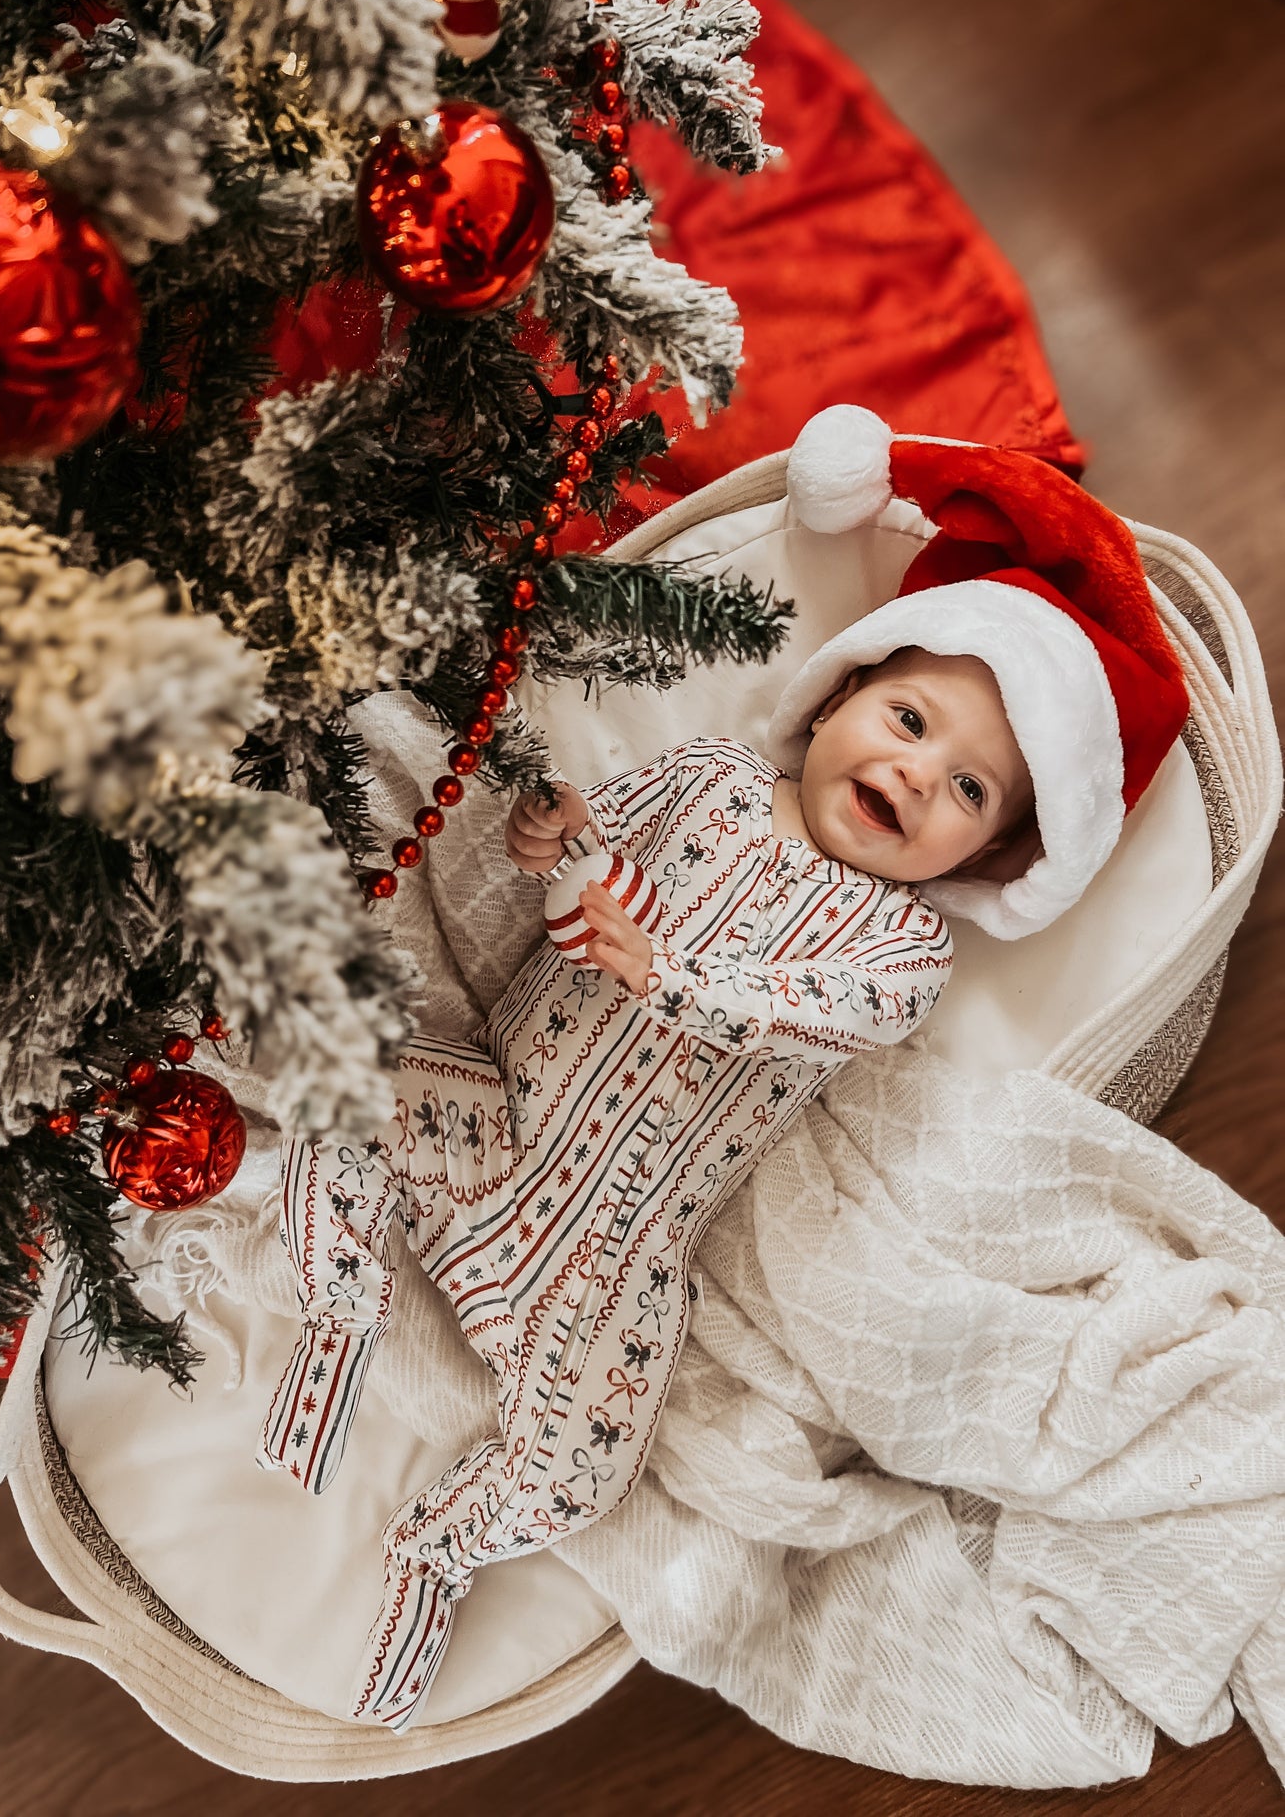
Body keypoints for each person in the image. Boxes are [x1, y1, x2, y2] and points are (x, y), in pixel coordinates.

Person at [257, 406, 1190, 1732]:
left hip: (614, 1250)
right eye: (910, 719)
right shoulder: (708, 780)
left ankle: (436, 1550)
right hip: (493, 1112)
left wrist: (667, 972)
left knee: (592, 1457)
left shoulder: (898, 949)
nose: (916, 775)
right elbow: (585, 863)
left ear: (982, 861)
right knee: (349, 1087)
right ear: (837, 702)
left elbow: (796, 1016)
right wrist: (550, 839)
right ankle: (337, 1303)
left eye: (969, 791)